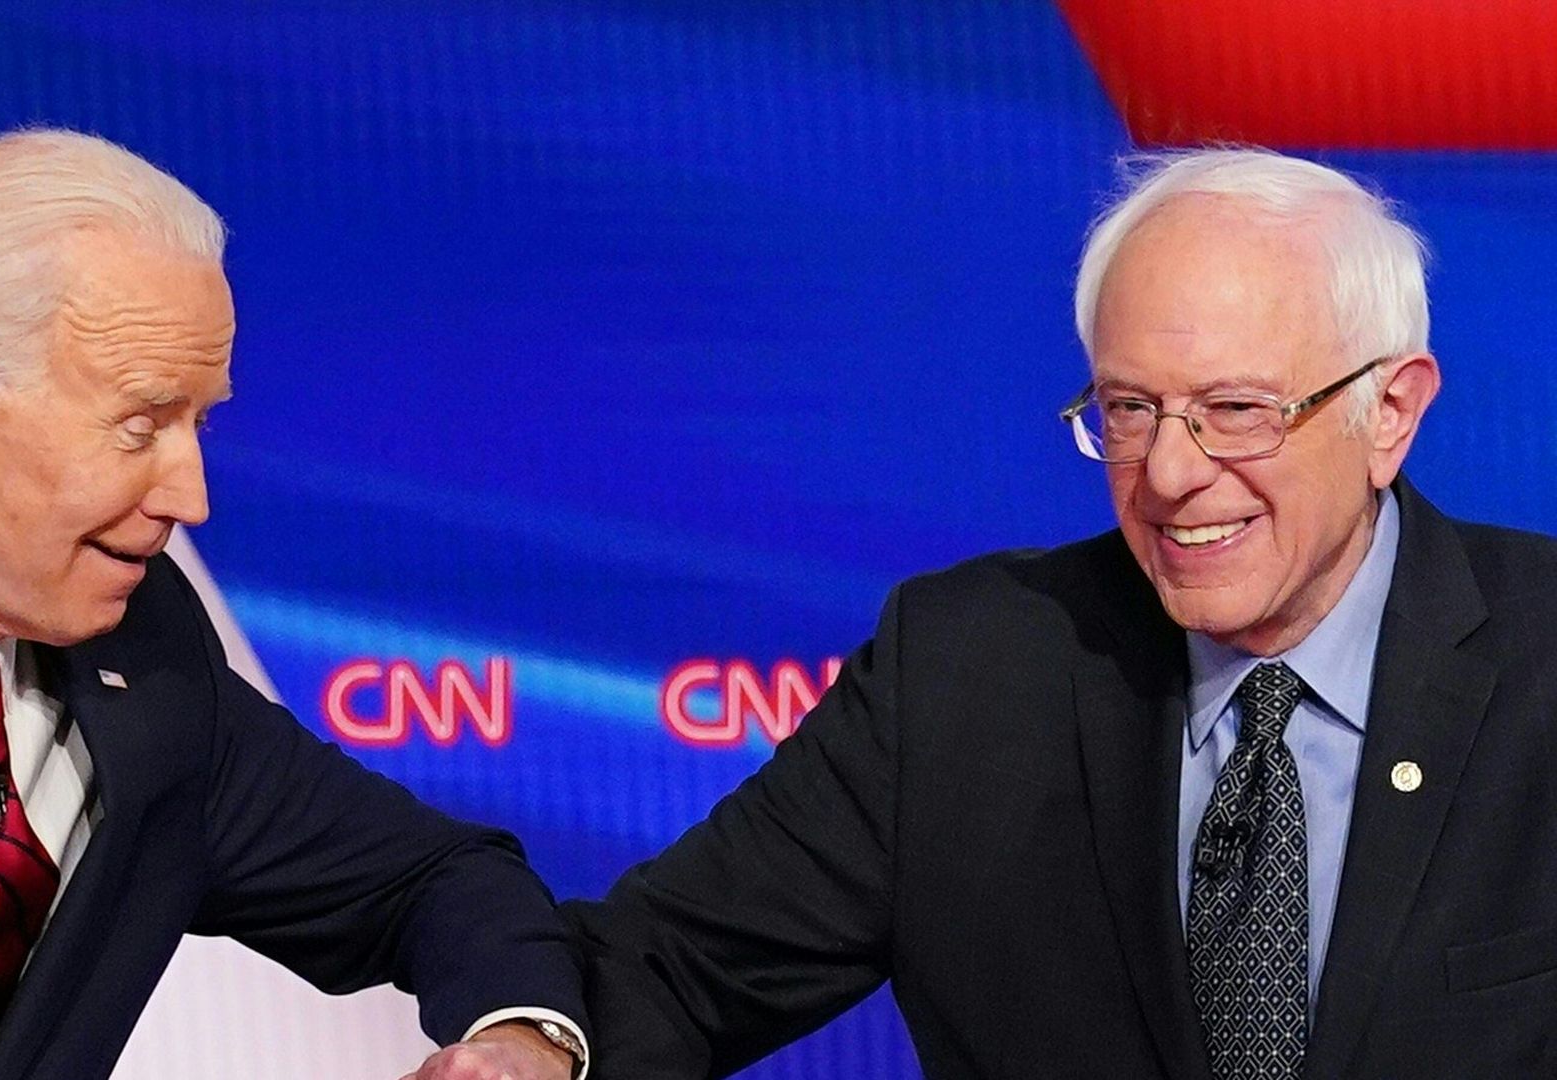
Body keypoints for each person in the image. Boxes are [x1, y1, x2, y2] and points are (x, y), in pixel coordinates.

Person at [565, 147, 1557, 1079]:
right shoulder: (965, 672)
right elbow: (667, 968)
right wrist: (528, 1036)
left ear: (1389, 412)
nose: (1169, 474)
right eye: (1129, 409)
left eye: (1237, 412)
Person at [0, 130, 587, 1080]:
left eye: (199, 421)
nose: (191, 495)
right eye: (142, 424)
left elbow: (430, 878)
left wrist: (519, 1039)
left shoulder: (147, 652)